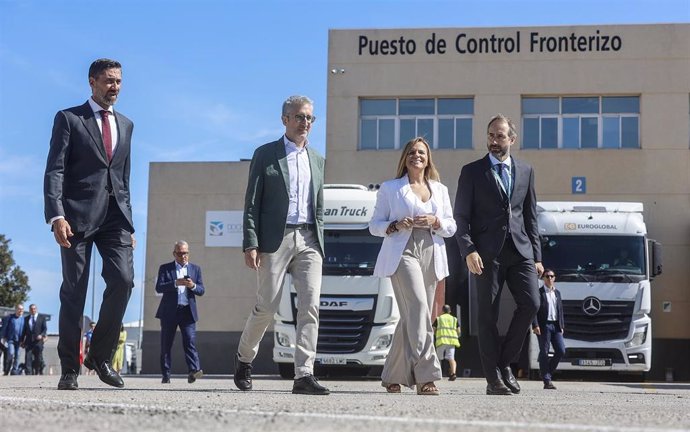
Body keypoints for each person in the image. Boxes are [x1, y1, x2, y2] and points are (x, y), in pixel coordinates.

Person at [44, 58, 136, 390]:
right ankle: (70, 368)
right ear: (92, 82)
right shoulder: (70, 119)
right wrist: (57, 216)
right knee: (75, 291)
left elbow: (123, 178)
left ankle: (99, 356)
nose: (115, 87)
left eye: (119, 82)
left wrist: (130, 225)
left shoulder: (127, 125)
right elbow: (55, 170)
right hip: (77, 217)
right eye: (109, 81)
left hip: (115, 218)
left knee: (124, 280)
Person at [234, 95, 329, 396]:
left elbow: (320, 204)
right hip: (276, 239)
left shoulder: (317, 159)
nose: (305, 123)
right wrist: (251, 242)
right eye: (300, 117)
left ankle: (304, 374)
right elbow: (251, 203)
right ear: (285, 119)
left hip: (309, 238)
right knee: (268, 306)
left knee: (310, 305)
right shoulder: (265, 155)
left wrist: (321, 239)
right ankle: (244, 359)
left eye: (310, 118)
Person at [454, 114, 542, 396]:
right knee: (487, 316)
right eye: (491, 135)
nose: (494, 141)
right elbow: (461, 217)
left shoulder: (526, 171)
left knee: (531, 303)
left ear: (511, 139)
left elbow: (531, 217)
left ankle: (504, 364)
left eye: (500, 136)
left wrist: (537, 256)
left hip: (520, 251)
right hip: (486, 255)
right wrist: (468, 249)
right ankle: (493, 379)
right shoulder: (472, 171)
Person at [369, 137, 457, 396]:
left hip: (431, 250)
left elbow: (452, 227)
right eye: (411, 152)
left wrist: (436, 221)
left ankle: (392, 376)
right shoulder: (390, 188)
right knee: (419, 307)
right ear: (405, 158)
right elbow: (374, 225)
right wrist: (395, 225)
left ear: (428, 158)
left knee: (414, 317)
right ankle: (427, 375)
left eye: (421, 152)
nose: (416, 156)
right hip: (402, 250)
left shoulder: (439, 189)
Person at [155, 240, 205, 384]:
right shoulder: (165, 268)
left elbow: (201, 290)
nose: (183, 256)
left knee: (190, 341)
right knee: (166, 344)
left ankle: (194, 371)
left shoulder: (195, 269)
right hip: (169, 312)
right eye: (180, 253)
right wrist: (175, 283)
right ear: (174, 254)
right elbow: (159, 287)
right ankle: (166, 374)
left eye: (186, 253)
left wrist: (193, 285)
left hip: (187, 312)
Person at [531, 269, 565, 390]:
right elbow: (534, 310)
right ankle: (547, 381)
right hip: (543, 325)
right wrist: (535, 325)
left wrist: (561, 325)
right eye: (547, 276)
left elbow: (560, 310)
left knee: (561, 350)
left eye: (552, 276)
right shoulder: (539, 293)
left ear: (554, 278)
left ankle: (546, 373)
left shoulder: (557, 293)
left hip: (556, 326)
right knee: (544, 352)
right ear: (543, 279)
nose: (549, 278)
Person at [433, 304, 461, 381]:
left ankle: (437, 374)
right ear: (450, 311)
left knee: (438, 359)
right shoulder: (454, 319)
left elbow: (434, 329)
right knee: (451, 358)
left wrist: (436, 335)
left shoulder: (439, 319)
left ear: (442, 311)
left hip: (441, 340)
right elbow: (458, 331)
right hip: (452, 341)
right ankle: (453, 373)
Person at [22, 304, 48, 375]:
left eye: (34, 309)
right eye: (31, 309)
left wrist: (41, 335)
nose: (33, 310)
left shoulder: (41, 318)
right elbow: (24, 331)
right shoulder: (26, 318)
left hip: (38, 341)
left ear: (36, 309)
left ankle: (37, 371)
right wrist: (22, 341)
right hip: (29, 341)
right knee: (28, 357)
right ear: (29, 310)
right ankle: (28, 372)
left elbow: (45, 328)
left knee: (38, 357)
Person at [2, 305, 25, 375]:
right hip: (10, 340)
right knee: (11, 354)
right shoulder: (10, 318)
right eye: (19, 309)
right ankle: (7, 369)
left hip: (19, 341)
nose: (20, 310)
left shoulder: (24, 319)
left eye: (22, 309)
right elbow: (5, 328)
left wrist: (24, 340)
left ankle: (14, 370)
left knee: (17, 356)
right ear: (16, 309)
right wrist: (3, 337)